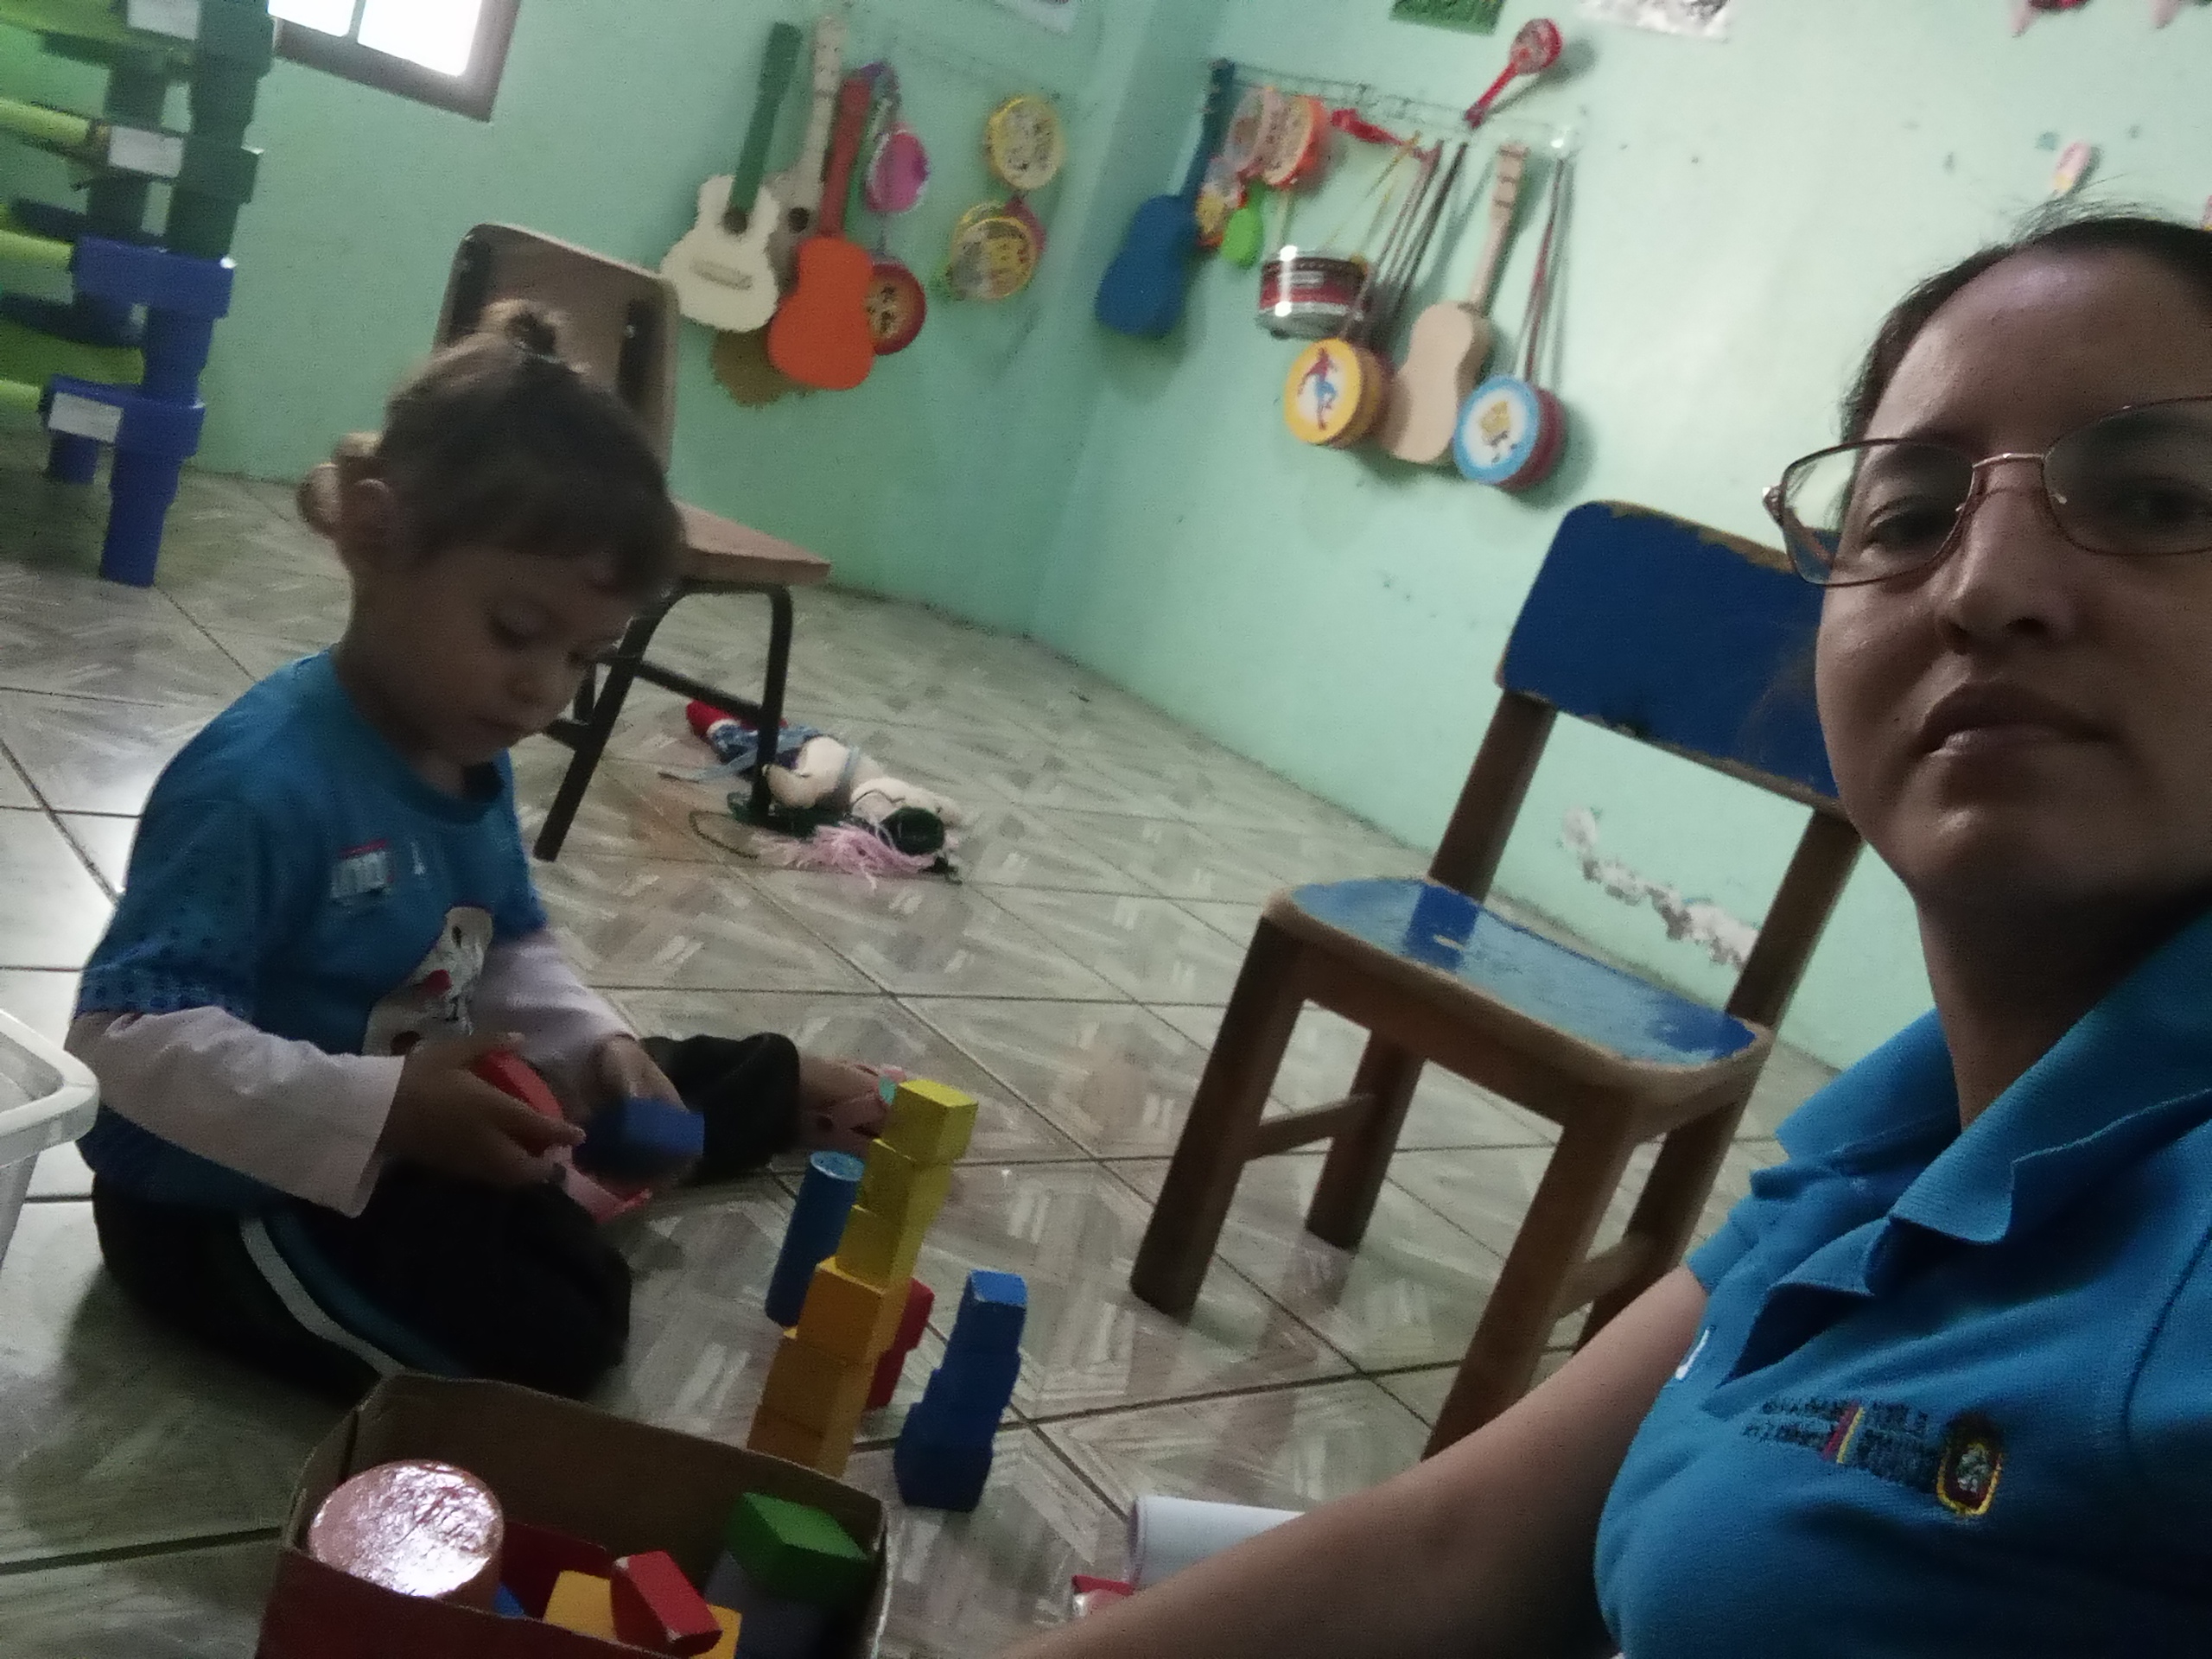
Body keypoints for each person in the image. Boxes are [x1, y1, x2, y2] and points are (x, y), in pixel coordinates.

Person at [1003, 210, 2212, 1658]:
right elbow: (1454, 1551)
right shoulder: (1889, 1153)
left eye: (2157, 500)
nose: (1984, 587)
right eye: (1907, 518)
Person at [68, 302, 885, 1402]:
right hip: (222, 1196)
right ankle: (563, 1189)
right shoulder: (257, 787)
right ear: (377, 537)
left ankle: (764, 1088)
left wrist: (598, 1049)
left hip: (417, 1091)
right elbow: (125, 1040)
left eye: (586, 658)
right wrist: (386, 1110)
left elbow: (505, 950)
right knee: (553, 1332)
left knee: (627, 1081)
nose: (544, 688)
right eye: (515, 632)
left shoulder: (464, 748)